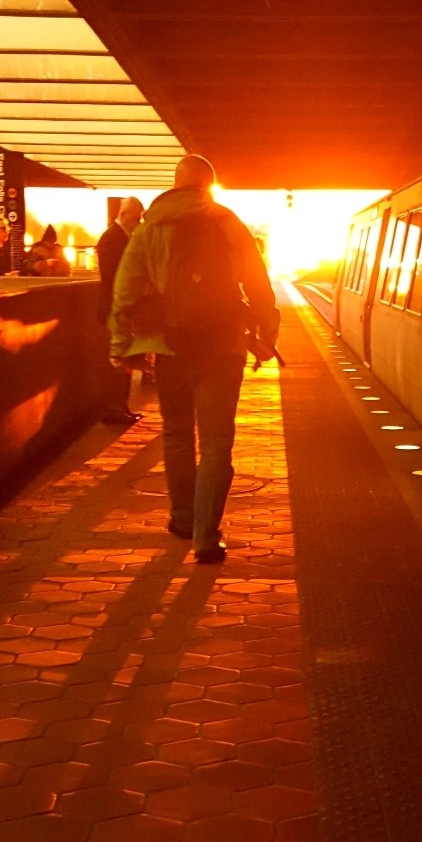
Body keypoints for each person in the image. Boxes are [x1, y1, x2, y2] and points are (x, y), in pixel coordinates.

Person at [110, 155, 280, 563]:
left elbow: (125, 289)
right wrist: (267, 335)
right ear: (209, 186)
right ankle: (206, 537)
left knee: (177, 435)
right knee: (217, 444)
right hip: (223, 348)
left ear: (176, 183)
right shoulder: (228, 222)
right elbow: (259, 284)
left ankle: (183, 518)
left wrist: (120, 347)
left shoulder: (151, 226)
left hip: (172, 348)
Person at [96, 198, 146, 425]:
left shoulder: (119, 237)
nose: (139, 222)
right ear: (124, 214)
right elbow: (113, 276)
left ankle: (120, 407)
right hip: (114, 309)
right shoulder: (112, 239)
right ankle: (115, 408)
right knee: (118, 360)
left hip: (118, 308)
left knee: (123, 358)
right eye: (137, 217)